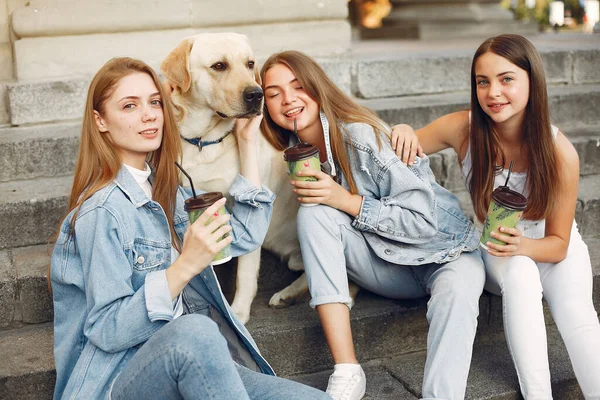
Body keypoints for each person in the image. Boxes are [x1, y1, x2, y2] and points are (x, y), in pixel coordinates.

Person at [49, 57, 330, 400]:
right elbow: (107, 329)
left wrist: (246, 143)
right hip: (119, 379)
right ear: (100, 121)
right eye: (129, 106)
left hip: (195, 365)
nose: (149, 114)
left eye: (154, 102)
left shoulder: (168, 195)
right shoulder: (100, 212)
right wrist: (185, 265)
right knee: (196, 331)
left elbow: (243, 235)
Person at [260, 50, 485, 400]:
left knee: (457, 295)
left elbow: (423, 223)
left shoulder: (360, 137)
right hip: (389, 266)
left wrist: (344, 200)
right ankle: (348, 369)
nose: (288, 99)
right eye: (273, 94)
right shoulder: (292, 153)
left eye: (298, 86)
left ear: (317, 88)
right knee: (314, 212)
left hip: (446, 253)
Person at [391, 34, 600, 399]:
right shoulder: (465, 128)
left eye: (506, 79)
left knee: (579, 319)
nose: (493, 93)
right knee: (519, 273)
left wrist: (526, 244)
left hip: (549, 245)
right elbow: (402, 144)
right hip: (498, 249)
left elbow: (559, 245)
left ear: (531, 81)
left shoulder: (560, 152)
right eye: (482, 81)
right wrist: (403, 129)